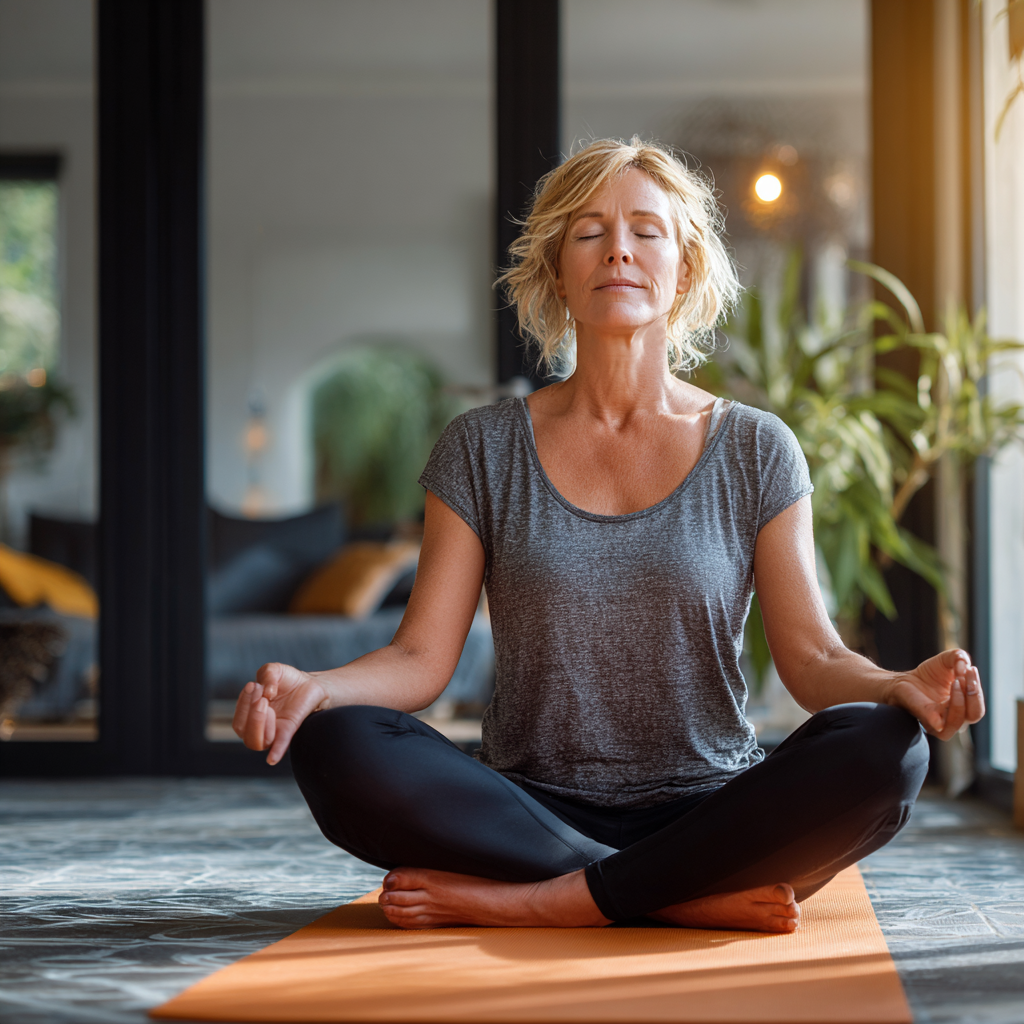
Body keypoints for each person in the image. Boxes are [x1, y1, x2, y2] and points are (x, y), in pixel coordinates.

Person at [232, 137, 984, 934]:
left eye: (645, 231)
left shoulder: (757, 447)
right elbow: (421, 661)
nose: (618, 249)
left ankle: (543, 903)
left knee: (890, 749)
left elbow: (814, 660)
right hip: (531, 808)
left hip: (712, 804)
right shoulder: (481, 447)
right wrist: (319, 690)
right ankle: (671, 896)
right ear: (559, 269)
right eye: (588, 232)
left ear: (684, 269)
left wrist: (894, 684)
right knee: (337, 745)